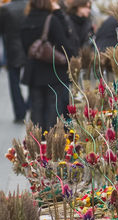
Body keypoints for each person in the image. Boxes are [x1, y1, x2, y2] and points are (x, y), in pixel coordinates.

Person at [21, 0, 75, 133]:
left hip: (34, 74)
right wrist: (59, 13)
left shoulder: (27, 20)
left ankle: (37, 147)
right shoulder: (52, 19)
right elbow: (66, 46)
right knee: (53, 114)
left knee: (36, 112)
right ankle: (51, 146)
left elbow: (25, 46)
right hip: (54, 74)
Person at [0, 0, 28, 123]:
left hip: (12, 49)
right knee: (32, 81)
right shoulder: (29, 6)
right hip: (28, 47)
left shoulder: (5, 9)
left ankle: (19, 112)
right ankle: (28, 105)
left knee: (14, 83)